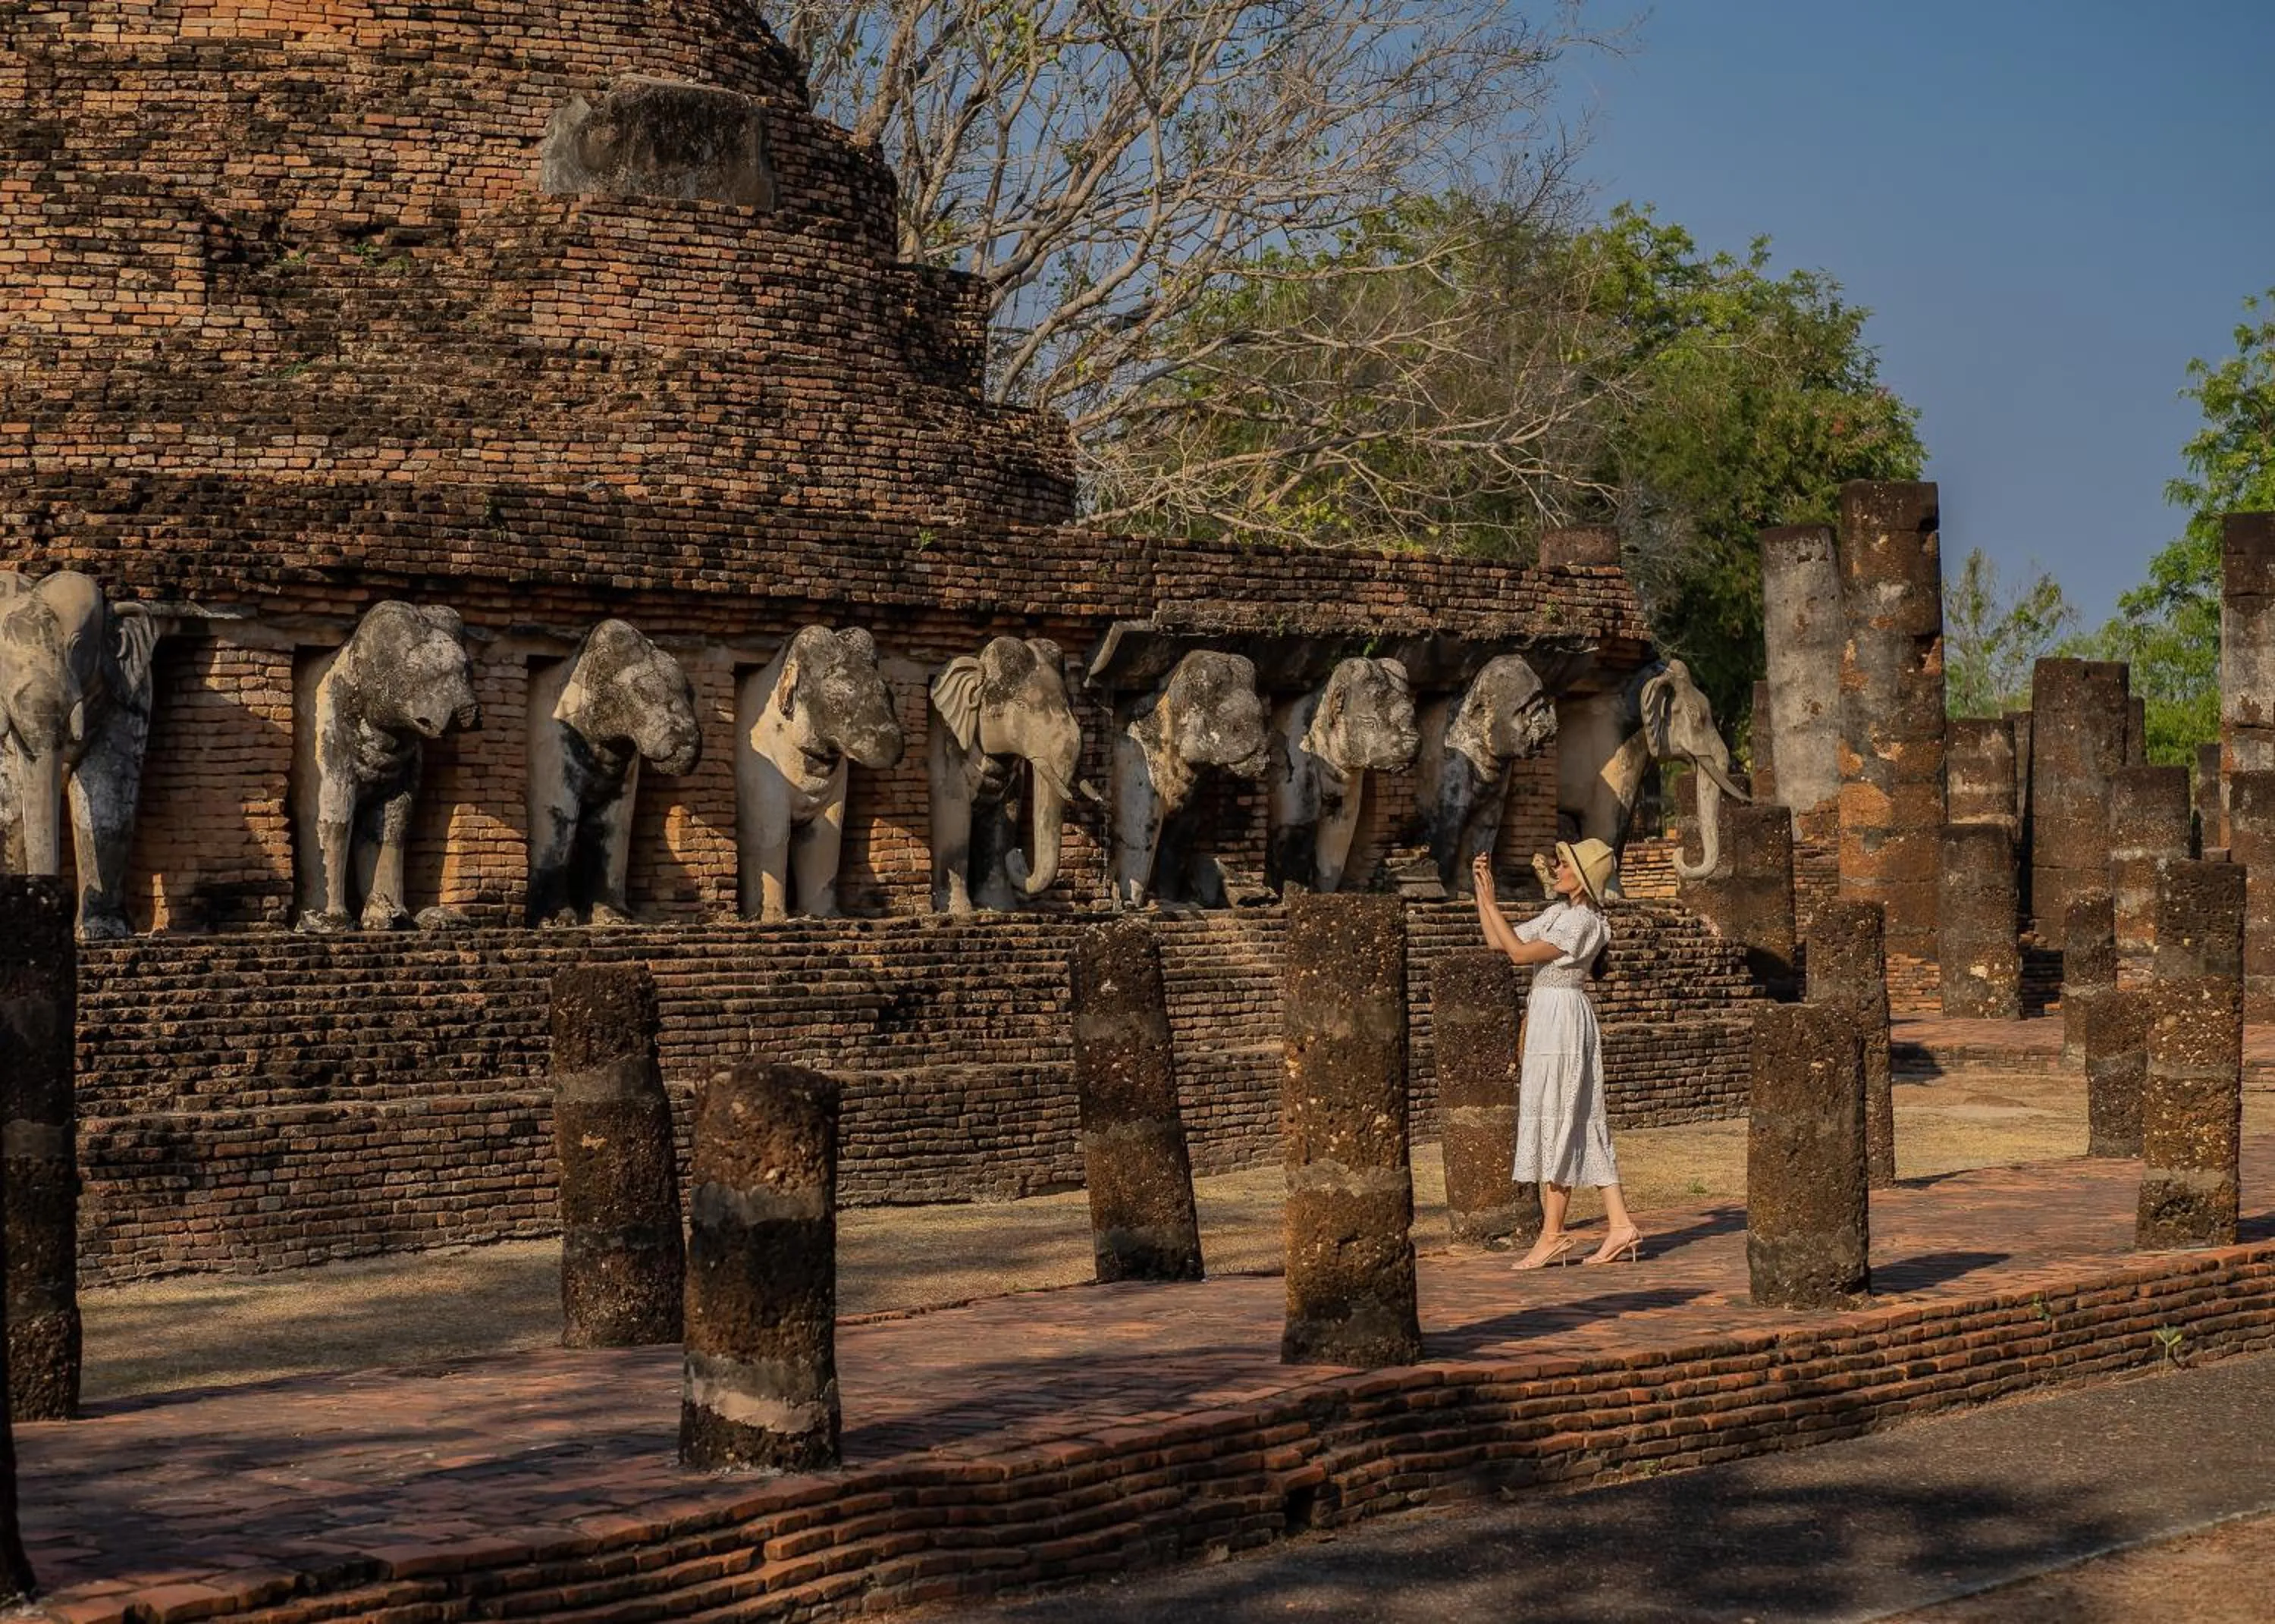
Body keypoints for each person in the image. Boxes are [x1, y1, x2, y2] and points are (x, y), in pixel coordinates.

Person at [1470, 837, 1643, 1269]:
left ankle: (1554, 1233)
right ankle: (1616, 1225)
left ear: (1581, 879)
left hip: (1564, 1018)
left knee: (1563, 1115)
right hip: (1547, 1015)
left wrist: (1493, 903)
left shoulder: (1583, 922)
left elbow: (1518, 952)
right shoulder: (1558, 914)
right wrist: (1481, 893)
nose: (1556, 869)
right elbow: (1497, 942)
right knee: (1568, 1116)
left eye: (1564, 865)